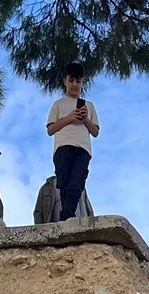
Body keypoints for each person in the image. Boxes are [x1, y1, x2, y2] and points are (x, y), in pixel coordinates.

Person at [44, 66, 99, 221]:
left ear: (82, 82)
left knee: (76, 183)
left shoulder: (89, 105)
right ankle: (67, 216)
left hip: (83, 149)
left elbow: (95, 132)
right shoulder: (58, 104)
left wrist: (85, 119)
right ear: (65, 81)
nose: (74, 84)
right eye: (71, 80)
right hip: (63, 147)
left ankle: (67, 216)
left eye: (78, 81)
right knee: (64, 183)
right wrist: (69, 118)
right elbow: (50, 129)